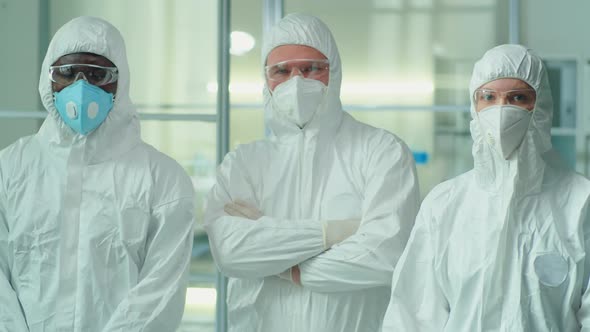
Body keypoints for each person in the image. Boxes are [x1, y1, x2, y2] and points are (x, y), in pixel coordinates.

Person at [204, 13, 420, 331]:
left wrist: (282, 265)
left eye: (311, 69)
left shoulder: (382, 151)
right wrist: (335, 233)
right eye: (282, 71)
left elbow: (385, 255)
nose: (296, 82)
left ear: (335, 73)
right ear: (266, 80)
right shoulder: (244, 163)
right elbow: (230, 251)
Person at [0, 16, 195, 331]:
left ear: (121, 81)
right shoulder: (9, 170)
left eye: (97, 74)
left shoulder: (163, 179)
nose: (81, 86)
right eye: (66, 72)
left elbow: (161, 291)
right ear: (48, 79)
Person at [382, 44, 590, 331]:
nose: (502, 110)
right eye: (489, 97)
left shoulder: (581, 202)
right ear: (474, 106)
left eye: (517, 97)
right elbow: (412, 315)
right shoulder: (444, 204)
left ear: (541, 106)